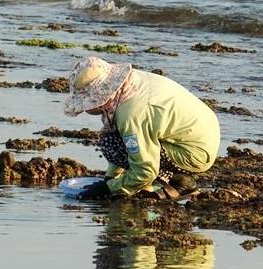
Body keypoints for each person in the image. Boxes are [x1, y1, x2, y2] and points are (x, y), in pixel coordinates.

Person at [64, 56, 220, 200]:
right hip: (199, 132)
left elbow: (145, 169)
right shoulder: (131, 82)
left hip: (196, 152)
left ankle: (178, 185)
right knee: (114, 138)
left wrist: (108, 188)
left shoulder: (132, 113)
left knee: (112, 143)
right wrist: (110, 178)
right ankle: (174, 178)